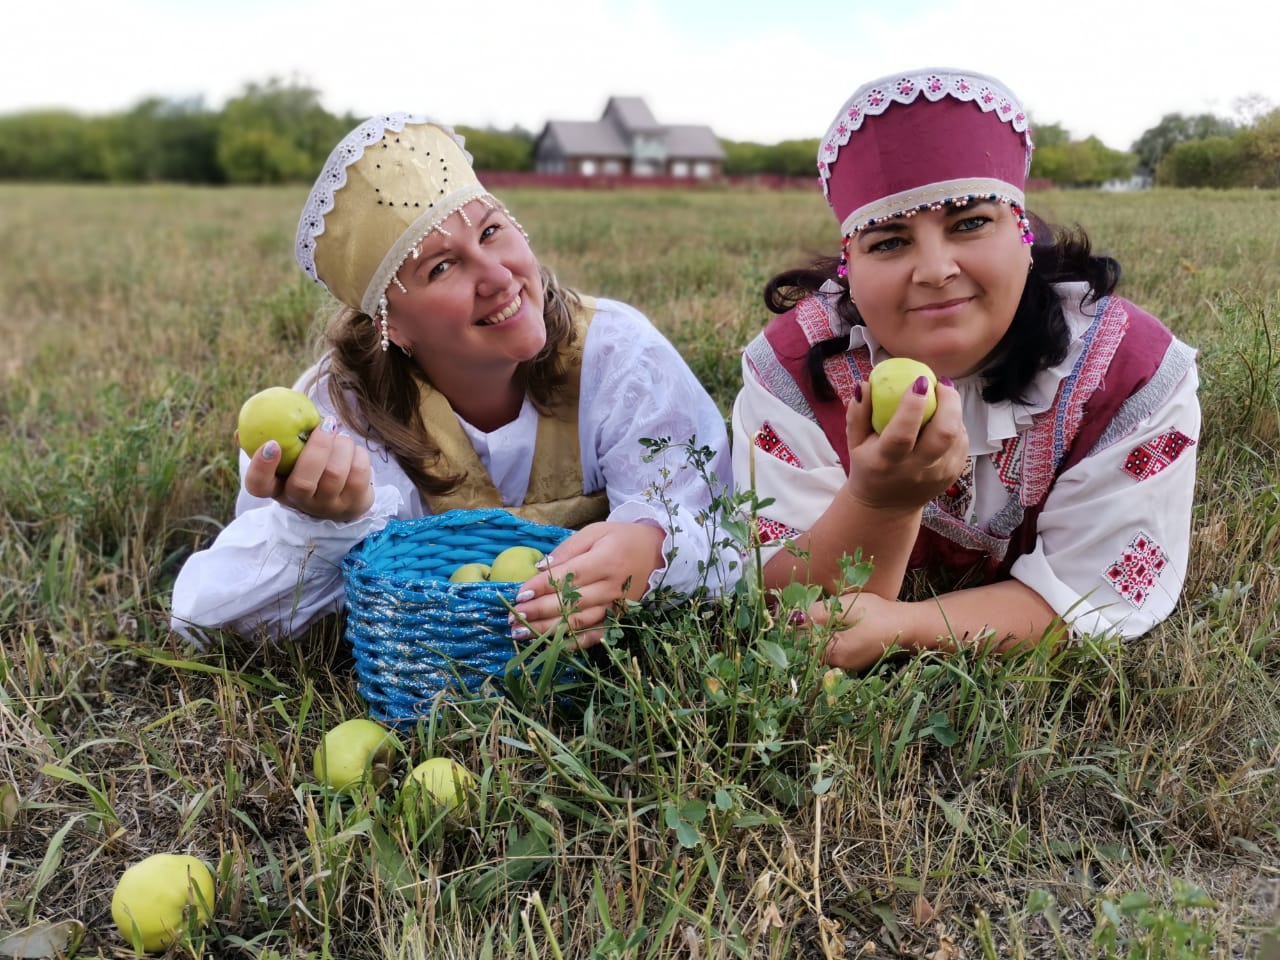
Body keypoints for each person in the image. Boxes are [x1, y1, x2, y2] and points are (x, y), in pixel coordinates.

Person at [172, 113, 735, 645]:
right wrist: (325, 526)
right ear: (393, 327)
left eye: (490, 232)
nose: (496, 276)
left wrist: (654, 547)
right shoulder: (342, 417)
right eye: (440, 267)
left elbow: (724, 545)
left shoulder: (619, 360)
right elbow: (204, 619)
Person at [731, 67, 1200, 670]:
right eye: (889, 241)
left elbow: (1098, 592)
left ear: (1022, 232)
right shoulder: (792, 370)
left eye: (971, 223)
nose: (934, 269)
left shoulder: (1130, 374)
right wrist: (879, 502)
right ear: (849, 264)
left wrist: (910, 626)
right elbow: (781, 592)